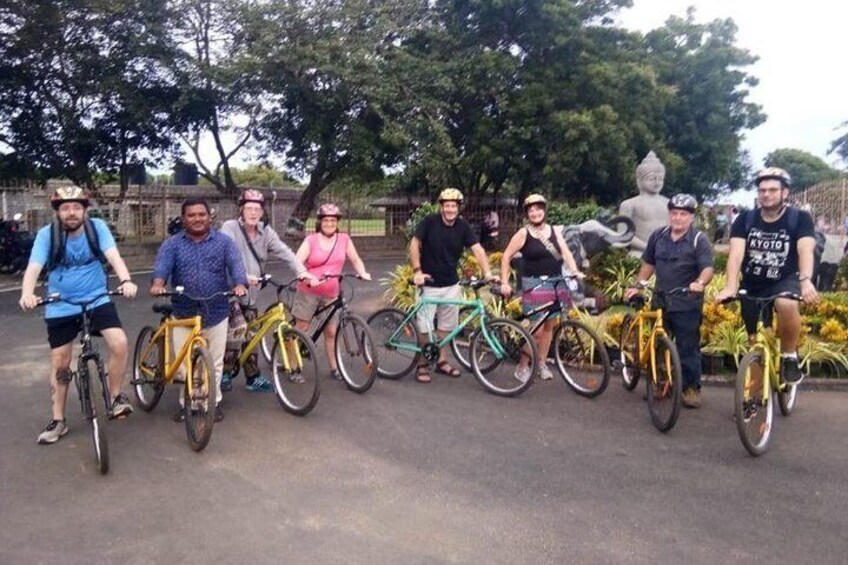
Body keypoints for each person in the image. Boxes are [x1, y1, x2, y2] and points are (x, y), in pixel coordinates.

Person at [19, 186, 139, 444]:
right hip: (60, 303)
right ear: (58, 212)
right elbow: (33, 267)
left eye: (76, 207)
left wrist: (126, 280)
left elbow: (113, 256)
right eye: (65, 208)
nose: (71, 212)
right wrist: (27, 293)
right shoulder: (47, 235)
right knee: (61, 361)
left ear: (84, 209)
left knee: (118, 343)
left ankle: (116, 396)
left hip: (97, 298)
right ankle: (58, 420)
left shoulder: (97, 229)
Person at [715, 168, 819, 384]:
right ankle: (753, 400)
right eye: (762, 190)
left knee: (787, 303)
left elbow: (805, 250)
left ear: (785, 193)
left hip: (785, 279)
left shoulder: (799, 218)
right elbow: (735, 256)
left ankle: (789, 356)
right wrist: (730, 286)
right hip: (753, 283)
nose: (766, 194)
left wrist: (806, 280)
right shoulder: (745, 219)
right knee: (755, 344)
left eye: (773, 190)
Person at [150, 197, 248, 422]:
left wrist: (240, 283)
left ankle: (211, 403)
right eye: (191, 215)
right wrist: (158, 283)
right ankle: (189, 404)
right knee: (185, 364)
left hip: (216, 311)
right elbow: (162, 267)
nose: (197, 219)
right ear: (183, 219)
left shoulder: (223, 242)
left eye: (201, 214)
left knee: (214, 361)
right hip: (183, 311)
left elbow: (235, 264)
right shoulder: (172, 244)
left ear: (209, 216)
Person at [219, 189, 316, 393]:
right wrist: (243, 276)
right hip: (229, 291)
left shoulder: (266, 232)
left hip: (251, 294)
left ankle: (252, 378)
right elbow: (225, 255)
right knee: (238, 328)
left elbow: (286, 253)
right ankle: (225, 373)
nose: (253, 213)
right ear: (241, 210)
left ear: (262, 212)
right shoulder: (230, 228)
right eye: (249, 208)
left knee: (253, 333)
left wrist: (303, 272)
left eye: (257, 209)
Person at [625, 194, 714, 408]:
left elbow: (707, 268)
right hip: (661, 300)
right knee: (658, 344)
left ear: (691, 218)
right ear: (669, 215)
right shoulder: (658, 236)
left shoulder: (698, 239)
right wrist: (638, 285)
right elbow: (648, 263)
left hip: (686, 302)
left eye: (683, 214)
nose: (678, 218)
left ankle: (690, 388)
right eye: (674, 213)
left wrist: (700, 283)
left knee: (687, 347)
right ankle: (659, 382)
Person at [409, 188, 497, 383]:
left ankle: (441, 361)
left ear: (458, 208)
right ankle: (422, 364)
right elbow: (415, 244)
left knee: (446, 328)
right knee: (425, 328)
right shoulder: (429, 222)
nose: (450, 209)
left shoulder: (463, 226)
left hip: (451, 284)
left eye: (453, 206)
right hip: (429, 283)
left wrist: (488, 273)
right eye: (447, 205)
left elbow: (478, 250)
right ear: (441, 207)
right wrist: (417, 271)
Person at [499, 194, 584, 382]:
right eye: (531, 210)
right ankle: (522, 366)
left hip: (556, 282)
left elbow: (566, 253)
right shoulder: (523, 233)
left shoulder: (554, 231)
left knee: (549, 327)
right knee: (536, 330)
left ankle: (541, 363)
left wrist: (575, 271)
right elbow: (506, 257)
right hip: (534, 284)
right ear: (527, 214)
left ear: (544, 211)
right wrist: (504, 281)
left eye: (538, 209)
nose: (535, 213)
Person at [292, 203, 371, 380]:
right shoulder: (310, 240)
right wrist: (306, 276)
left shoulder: (344, 239)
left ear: (337, 222)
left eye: (333, 220)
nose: (329, 223)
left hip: (331, 293)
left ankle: (335, 368)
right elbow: (297, 262)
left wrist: (362, 272)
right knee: (302, 328)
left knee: (331, 332)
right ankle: (293, 366)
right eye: (326, 220)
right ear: (320, 222)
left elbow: (355, 259)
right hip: (309, 290)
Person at [618, 151, 670, 253]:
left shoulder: (669, 203)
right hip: (639, 253)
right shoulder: (629, 204)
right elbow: (623, 234)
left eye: (660, 179)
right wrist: (648, 248)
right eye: (651, 179)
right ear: (639, 181)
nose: (656, 182)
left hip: (665, 254)